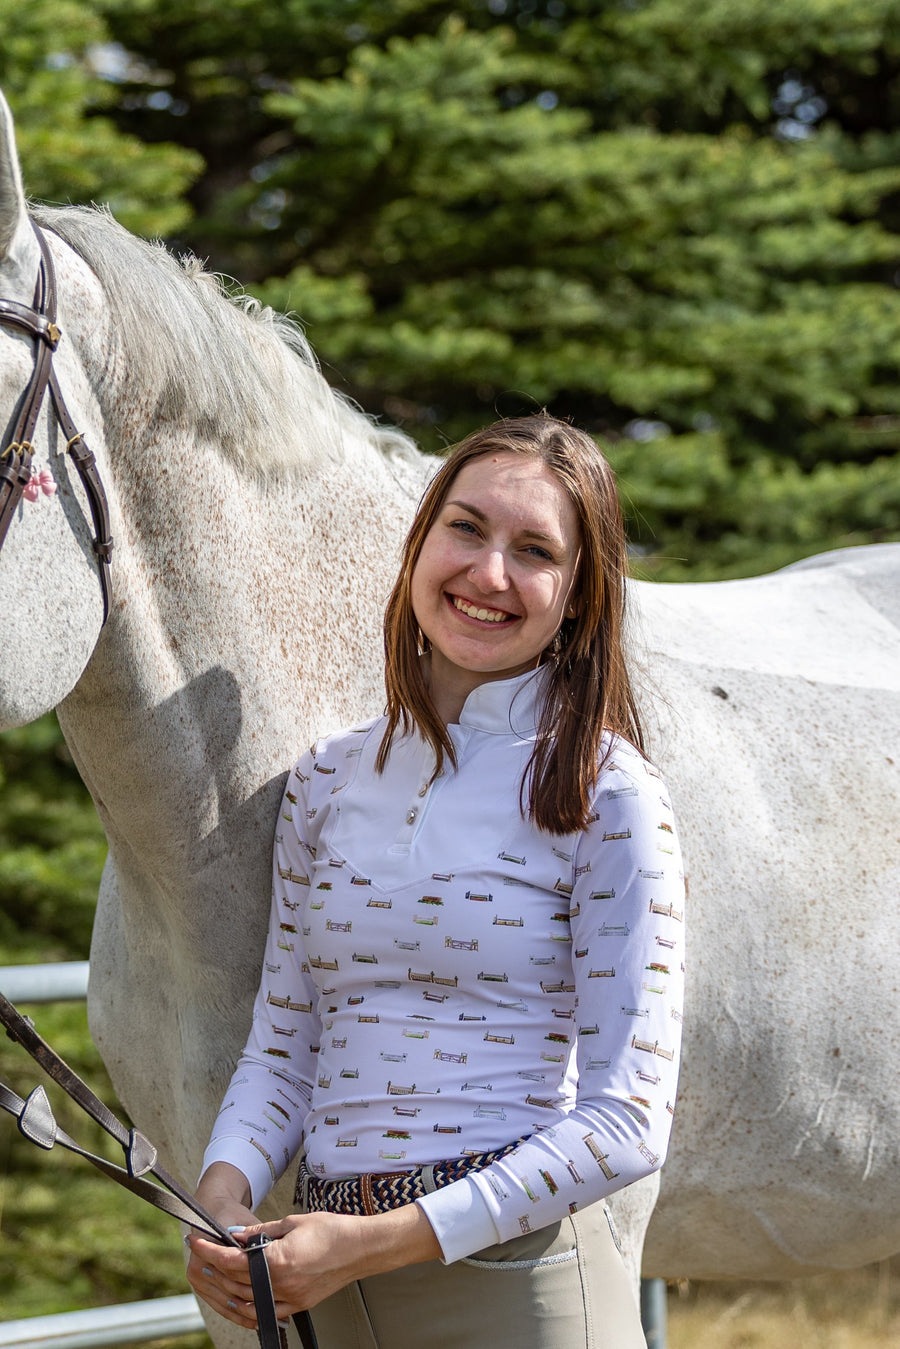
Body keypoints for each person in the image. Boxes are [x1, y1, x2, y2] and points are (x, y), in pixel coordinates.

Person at [186, 413, 685, 1348]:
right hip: (323, 1285)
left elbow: (628, 1120)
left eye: (534, 549)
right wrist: (223, 1192)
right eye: (465, 528)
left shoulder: (608, 792)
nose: (488, 572)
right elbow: (286, 1047)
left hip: (511, 1286)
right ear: (420, 543)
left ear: (578, 596)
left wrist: (372, 1242)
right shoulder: (325, 780)